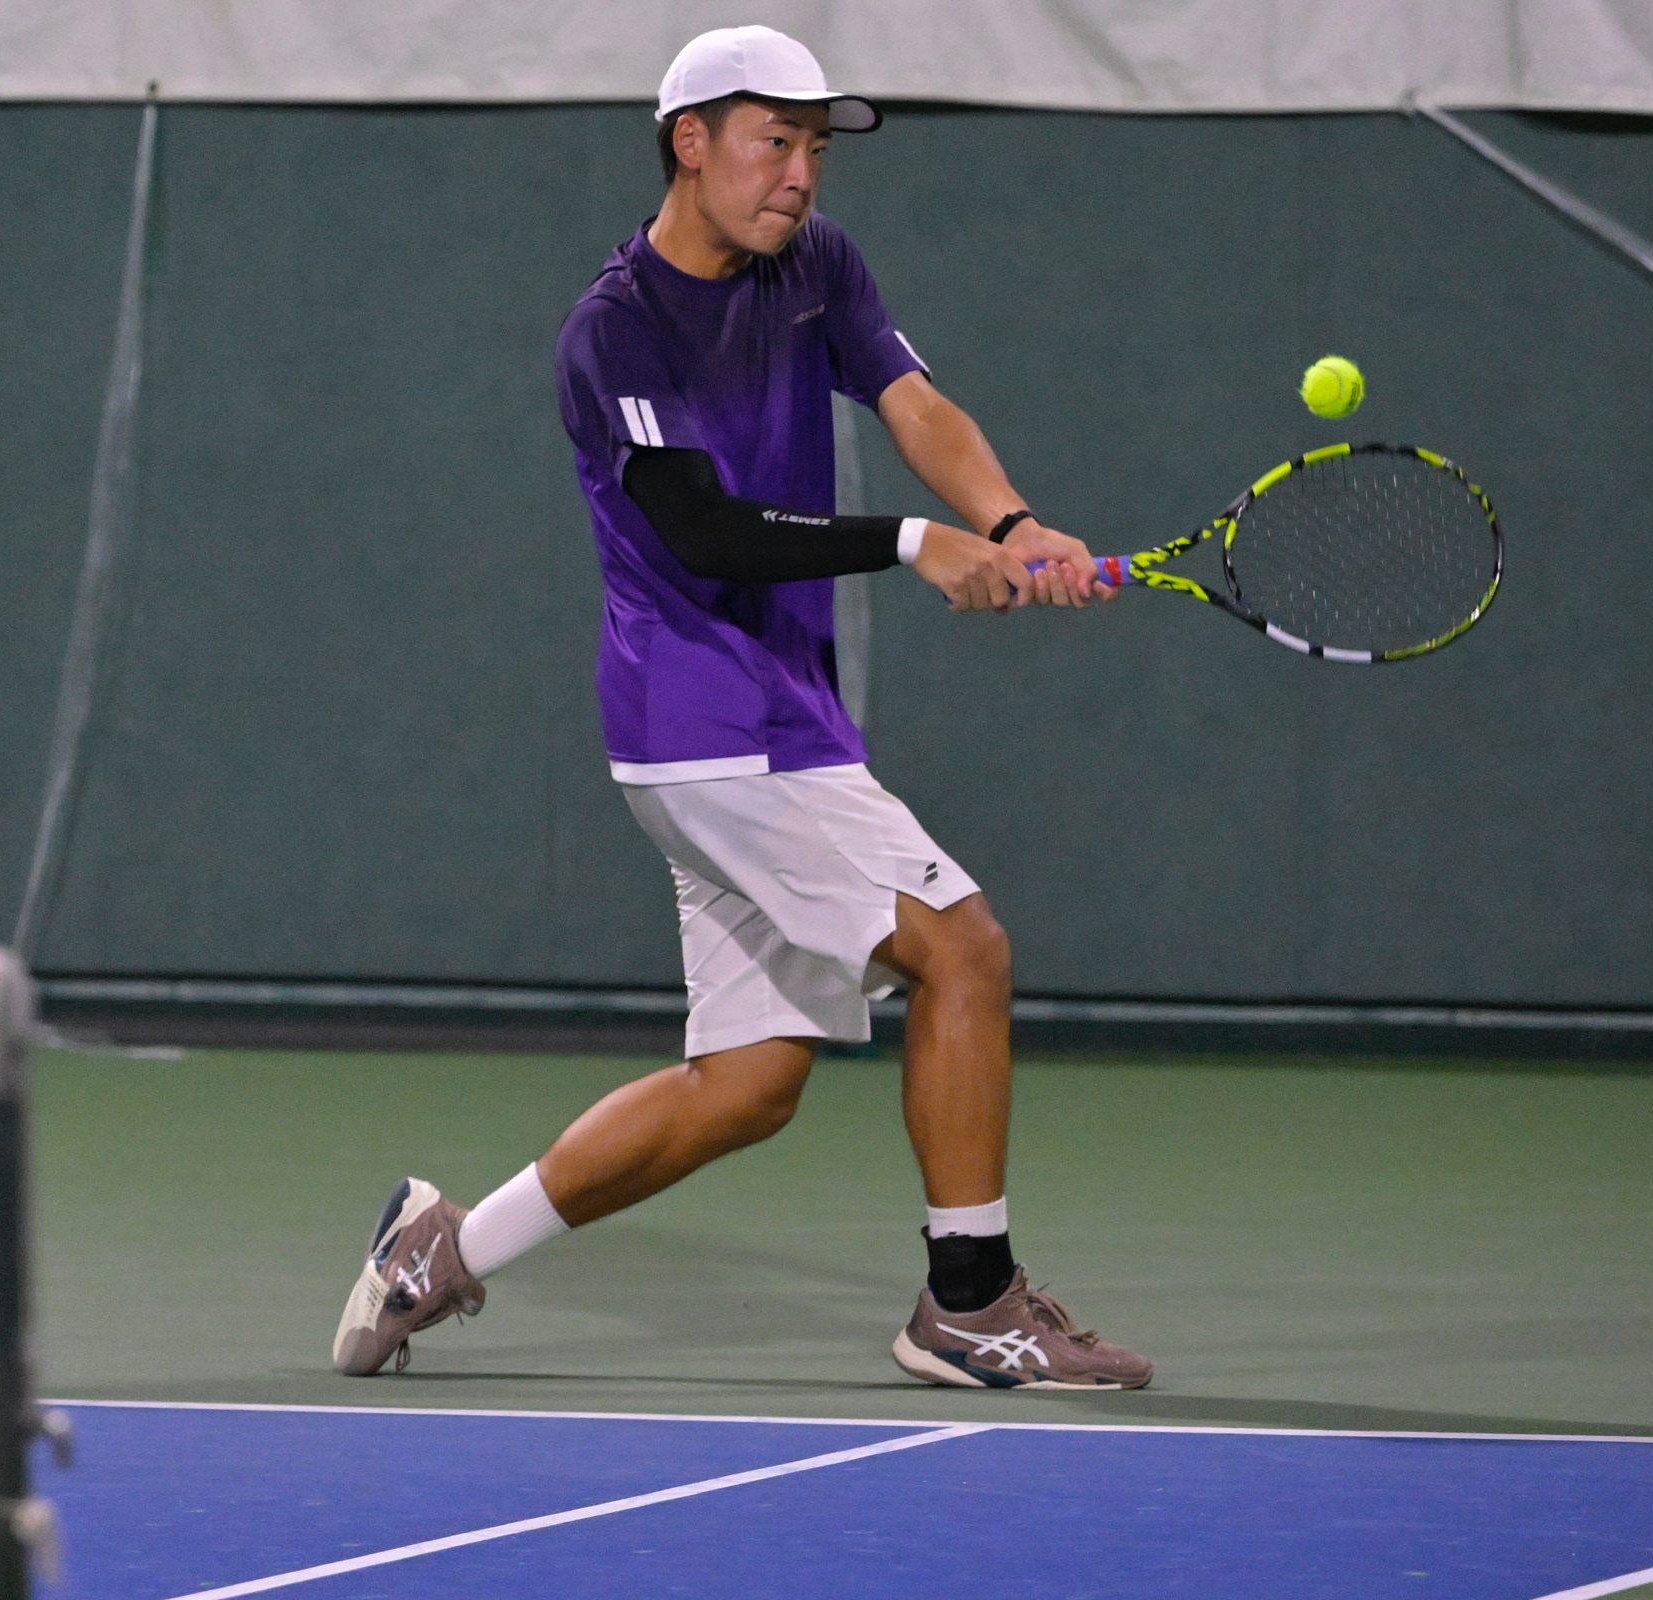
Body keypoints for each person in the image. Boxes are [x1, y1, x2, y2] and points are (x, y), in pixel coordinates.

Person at [334, 24, 1151, 1391]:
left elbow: (912, 400)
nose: (800, 175)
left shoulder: (815, 265)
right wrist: (916, 543)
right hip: (707, 729)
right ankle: (967, 1303)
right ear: (690, 141)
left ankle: (440, 1252)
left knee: (747, 1086)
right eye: (775, 142)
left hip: (772, 720)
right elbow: (704, 530)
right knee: (964, 951)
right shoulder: (612, 332)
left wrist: (1009, 521)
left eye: (815, 148)